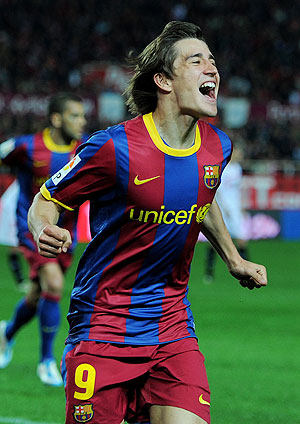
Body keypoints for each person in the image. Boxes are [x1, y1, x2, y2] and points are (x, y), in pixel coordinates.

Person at [28, 22, 267, 424]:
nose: (212, 68)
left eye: (212, 60)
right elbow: (46, 199)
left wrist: (233, 259)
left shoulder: (217, 146)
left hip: (172, 326)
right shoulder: (112, 146)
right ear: (163, 80)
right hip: (103, 326)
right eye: (196, 60)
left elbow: (202, 201)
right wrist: (43, 228)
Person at [0, 92, 87, 386]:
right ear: (56, 118)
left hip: (66, 236)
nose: (82, 121)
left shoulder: (87, 150)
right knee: (54, 285)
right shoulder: (26, 147)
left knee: (38, 295)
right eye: (75, 115)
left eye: (83, 115)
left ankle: (6, 334)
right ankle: (47, 361)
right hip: (32, 230)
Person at [203, 143, 249, 283]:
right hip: (223, 209)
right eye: (238, 153)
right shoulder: (223, 169)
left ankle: (246, 271)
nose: (240, 156)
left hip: (235, 209)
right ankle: (209, 272)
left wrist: (240, 206)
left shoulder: (238, 169)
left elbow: (237, 190)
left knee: (242, 240)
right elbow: (217, 190)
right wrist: (224, 207)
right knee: (215, 241)